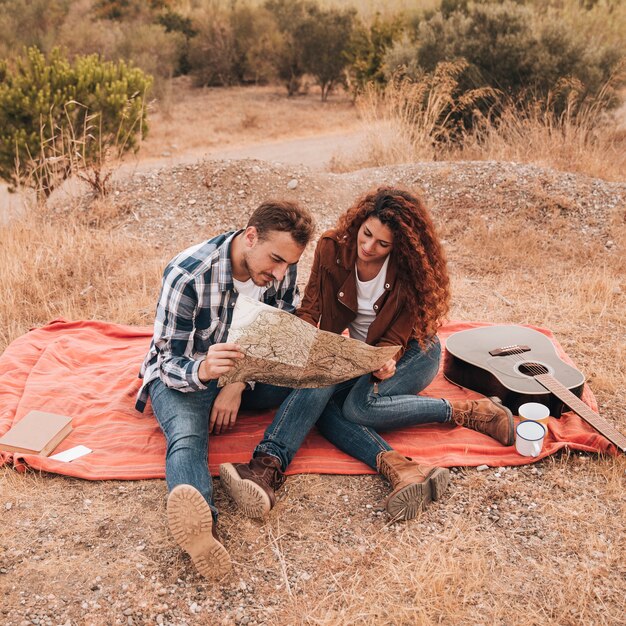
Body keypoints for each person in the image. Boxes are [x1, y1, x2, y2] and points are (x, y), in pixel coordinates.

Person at [219, 187, 514, 522]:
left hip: (411, 354)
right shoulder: (333, 248)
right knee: (325, 394)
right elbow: (310, 308)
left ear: (398, 248)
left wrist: (384, 363)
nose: (369, 246)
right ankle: (403, 471)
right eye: (367, 233)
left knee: (357, 406)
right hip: (354, 352)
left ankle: (470, 410)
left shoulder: (408, 272)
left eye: (382, 244)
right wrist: (299, 340)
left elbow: (394, 342)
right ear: (359, 222)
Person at [135, 200, 315, 579]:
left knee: (317, 378)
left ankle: (263, 467)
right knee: (186, 436)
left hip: (245, 375)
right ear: (250, 236)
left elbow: (276, 331)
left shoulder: (283, 264)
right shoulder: (187, 274)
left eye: (288, 263)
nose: (281, 272)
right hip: (187, 375)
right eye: (275, 260)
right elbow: (167, 360)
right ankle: (204, 530)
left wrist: (236, 384)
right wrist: (203, 371)